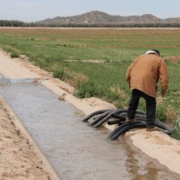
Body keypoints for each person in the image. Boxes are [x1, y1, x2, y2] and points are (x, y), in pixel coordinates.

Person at [125, 49, 169, 131]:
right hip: (147, 83)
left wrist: (129, 80)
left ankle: (129, 117)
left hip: (135, 82)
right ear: (157, 54)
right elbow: (164, 77)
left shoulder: (139, 57)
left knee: (134, 99)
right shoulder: (159, 60)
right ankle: (150, 126)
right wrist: (163, 89)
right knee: (151, 103)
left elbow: (129, 70)